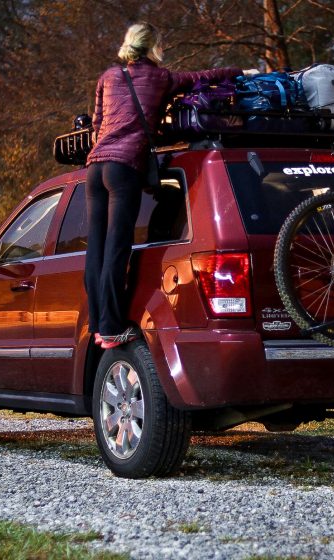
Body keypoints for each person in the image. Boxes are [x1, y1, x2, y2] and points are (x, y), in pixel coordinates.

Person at [85, 22, 242, 349]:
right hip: (123, 169)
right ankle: (112, 329)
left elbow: (96, 125)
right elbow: (201, 78)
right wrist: (238, 71)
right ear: (151, 46)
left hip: (95, 168)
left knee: (96, 249)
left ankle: (98, 326)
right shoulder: (160, 78)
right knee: (117, 248)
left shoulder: (109, 77)